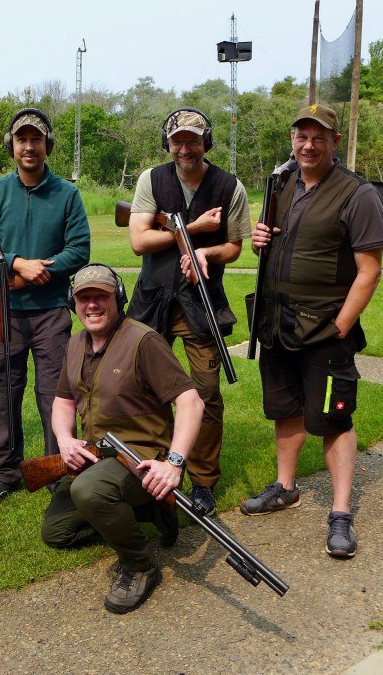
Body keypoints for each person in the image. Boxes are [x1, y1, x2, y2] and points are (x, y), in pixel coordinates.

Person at [239, 103, 383, 559]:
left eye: (319, 137)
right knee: (285, 409)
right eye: (302, 136)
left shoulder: (356, 194)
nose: (309, 144)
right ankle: (286, 487)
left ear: (334, 142)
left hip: (326, 330)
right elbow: (272, 246)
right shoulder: (280, 184)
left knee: (333, 420)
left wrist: (341, 326)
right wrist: (261, 239)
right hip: (278, 325)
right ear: (292, 139)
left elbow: (370, 270)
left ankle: (340, 512)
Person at [41, 264, 204, 614]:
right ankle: (148, 510)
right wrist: (65, 441)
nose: (92, 305)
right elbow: (62, 401)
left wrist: (173, 464)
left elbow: (191, 401)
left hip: (143, 459)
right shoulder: (74, 345)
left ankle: (140, 564)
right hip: (98, 458)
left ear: (118, 298)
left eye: (100, 296)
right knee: (57, 532)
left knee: (89, 492)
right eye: (84, 298)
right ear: (74, 303)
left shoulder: (144, 341)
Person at [126, 107, 251, 516]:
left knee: (207, 394)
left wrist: (204, 252)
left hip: (202, 305)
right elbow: (139, 242)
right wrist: (191, 230)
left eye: (193, 140)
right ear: (168, 143)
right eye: (178, 140)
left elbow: (234, 246)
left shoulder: (230, 186)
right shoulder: (151, 179)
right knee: (144, 389)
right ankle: (148, 467)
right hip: (153, 301)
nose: (185, 148)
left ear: (205, 143)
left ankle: (203, 482)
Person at [0, 108, 90, 505]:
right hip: (2, 311)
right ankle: (6, 470)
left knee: (54, 393)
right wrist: (19, 262)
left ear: (47, 144)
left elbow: (80, 250)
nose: (29, 146)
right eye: (22, 140)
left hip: (52, 310)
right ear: (12, 146)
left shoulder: (67, 194)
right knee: (5, 389)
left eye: (36, 139)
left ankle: (57, 468)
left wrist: (43, 272)